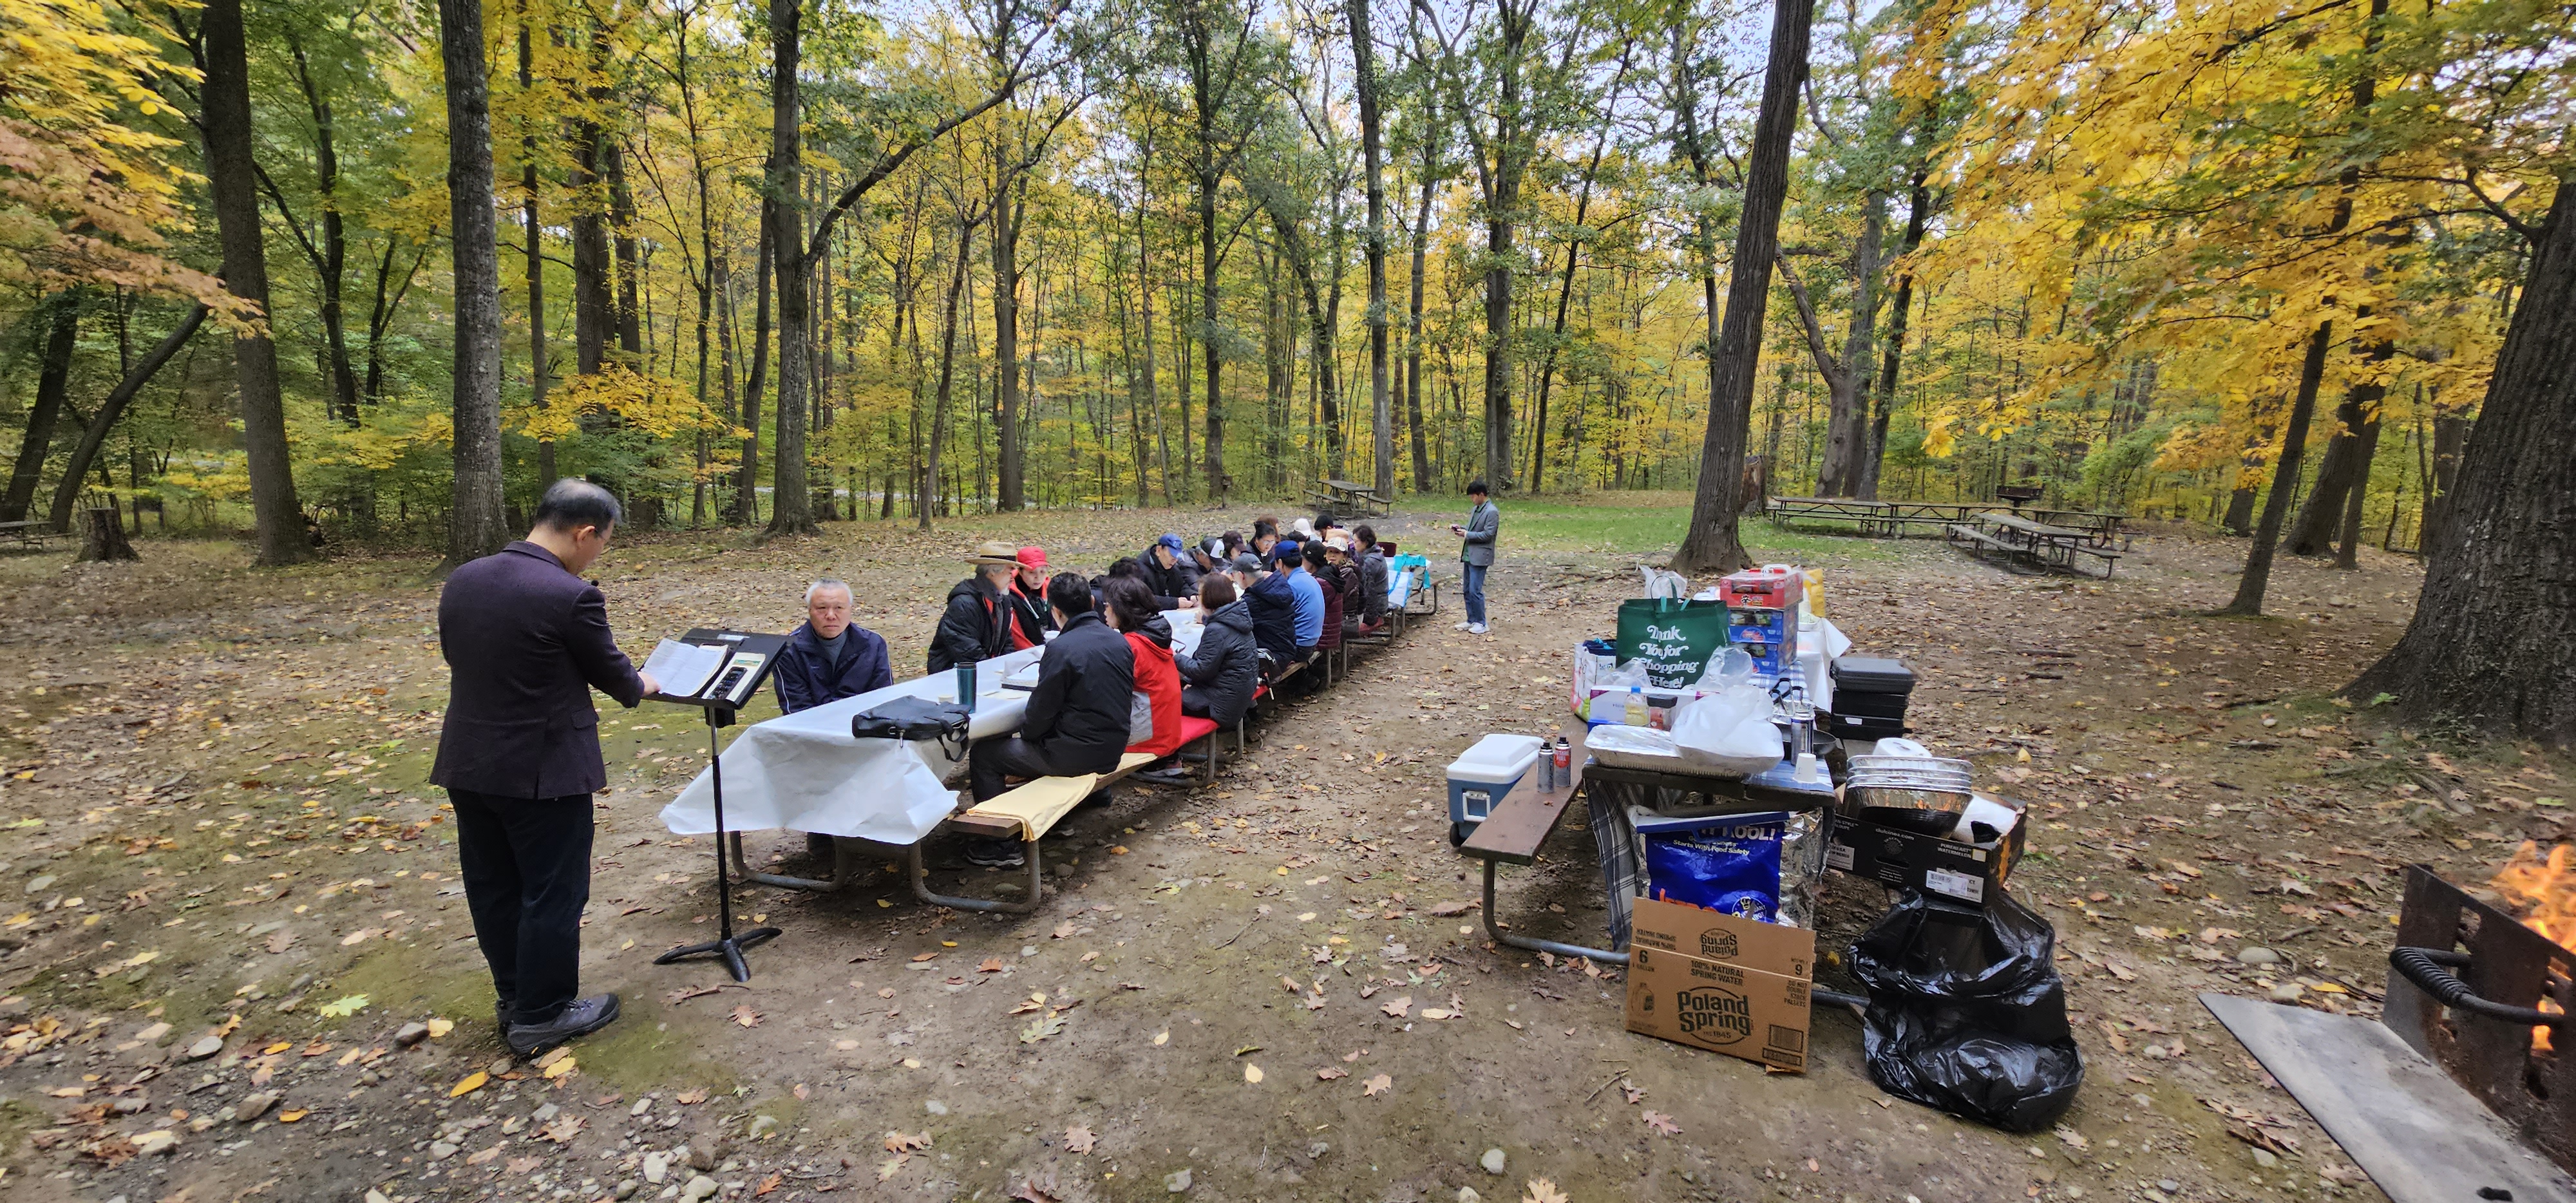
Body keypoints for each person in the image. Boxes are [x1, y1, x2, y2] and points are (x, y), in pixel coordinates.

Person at [432, 479, 656, 1057]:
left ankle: (514, 997)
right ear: (586, 533)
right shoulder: (569, 595)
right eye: (604, 542)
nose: (599, 554)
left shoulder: (464, 578)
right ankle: (544, 1012)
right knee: (553, 891)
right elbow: (617, 677)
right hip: (545, 771)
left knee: (494, 885)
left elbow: (460, 656)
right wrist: (645, 682)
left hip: (469, 762)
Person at [963, 573, 1132, 867]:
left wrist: (1029, 738)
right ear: (1091, 602)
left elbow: (1040, 713)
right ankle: (1057, 820)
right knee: (1039, 740)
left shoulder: (1061, 648)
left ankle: (1001, 846)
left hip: (1075, 754)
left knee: (984, 754)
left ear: (1056, 612)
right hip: (1114, 746)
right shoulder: (1119, 640)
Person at [772, 579, 892, 713]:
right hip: (812, 724)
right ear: (810, 610)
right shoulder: (789, 650)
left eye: (839, 608)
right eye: (822, 608)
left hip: (864, 722)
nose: (830, 616)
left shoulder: (873, 644)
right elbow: (797, 709)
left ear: (850, 610)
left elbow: (884, 701)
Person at [1103, 576, 1184, 764]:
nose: (1104, 611)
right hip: (1166, 729)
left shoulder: (1132, 646)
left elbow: (1109, 692)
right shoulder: (1155, 635)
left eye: (1107, 605)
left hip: (1149, 738)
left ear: (1120, 609)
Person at [1176, 574, 1257, 726]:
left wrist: (1175, 657)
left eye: (1200, 595)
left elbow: (1200, 670)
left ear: (1210, 598)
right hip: (1238, 695)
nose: (1198, 599)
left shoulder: (1216, 630)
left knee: (1165, 700)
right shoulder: (1238, 617)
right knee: (1183, 685)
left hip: (1222, 704)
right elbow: (1209, 664)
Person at [930, 541, 1021, 672]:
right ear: (993, 572)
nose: (1013, 578)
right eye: (1010, 571)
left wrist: (1009, 670)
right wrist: (995, 672)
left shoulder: (1003, 601)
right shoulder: (964, 604)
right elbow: (968, 653)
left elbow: (1007, 643)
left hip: (985, 671)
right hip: (952, 675)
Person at [1452, 479, 1500, 635]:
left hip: (1481, 556)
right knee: (1467, 590)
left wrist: (1467, 534)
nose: (1472, 499)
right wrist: (1461, 529)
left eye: (1473, 496)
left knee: (1475, 590)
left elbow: (1488, 534)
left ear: (1481, 495)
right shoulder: (1476, 510)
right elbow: (1472, 529)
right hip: (1468, 554)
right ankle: (1471, 619)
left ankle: (1482, 622)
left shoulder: (1492, 511)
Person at [1240, 551, 1300, 675]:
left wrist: (1206, 618)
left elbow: (1233, 625)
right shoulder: (1278, 587)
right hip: (1287, 650)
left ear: (1241, 576)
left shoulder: (1253, 601)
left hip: (1271, 659)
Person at [1278, 541, 1325, 669]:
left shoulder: (1292, 585)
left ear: (1280, 563)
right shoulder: (1309, 578)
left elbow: (1280, 618)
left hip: (1300, 648)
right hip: (1312, 642)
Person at [1007, 547, 1056, 650]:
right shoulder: (1009, 597)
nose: (1038, 577)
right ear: (1020, 571)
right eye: (1032, 572)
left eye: (1042, 572)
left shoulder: (1052, 589)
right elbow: (1016, 637)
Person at [1303, 541, 1345, 661]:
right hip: (1327, 632)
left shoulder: (1321, 583)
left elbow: (1307, 609)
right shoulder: (1328, 575)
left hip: (1323, 636)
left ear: (1311, 561)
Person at [1138, 533, 1201, 609]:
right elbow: (1144, 599)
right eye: (1172, 555)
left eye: (1177, 557)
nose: (1175, 560)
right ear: (1159, 550)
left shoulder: (1172, 568)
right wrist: (1175, 603)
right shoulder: (1139, 570)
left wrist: (1191, 595)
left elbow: (1181, 586)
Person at [1351, 524, 1390, 632]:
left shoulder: (1371, 562)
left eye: (1355, 542)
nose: (1353, 545)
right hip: (1375, 602)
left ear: (1365, 542)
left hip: (1376, 607)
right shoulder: (1371, 553)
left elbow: (1363, 588)